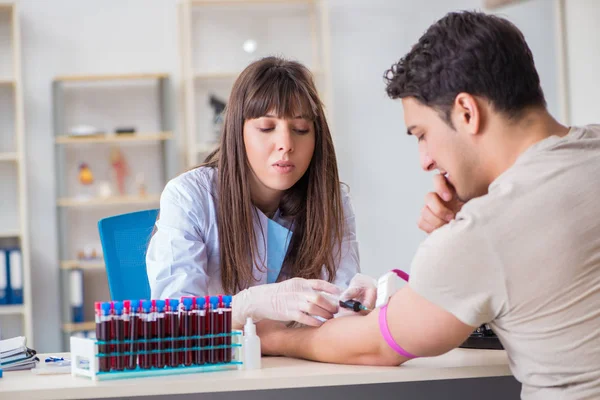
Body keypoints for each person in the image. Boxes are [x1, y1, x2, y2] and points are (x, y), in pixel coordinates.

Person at [257, 11, 600, 400]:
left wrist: (275, 335)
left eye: (422, 134)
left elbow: (375, 345)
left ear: (467, 112)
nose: (425, 161)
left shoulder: (483, 231)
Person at [146, 56, 359, 329]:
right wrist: (249, 305)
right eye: (266, 128)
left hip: (297, 366)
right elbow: (172, 320)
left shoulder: (332, 201)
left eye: (301, 129)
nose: (285, 144)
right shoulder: (188, 197)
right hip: (217, 366)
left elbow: (339, 311)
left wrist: (355, 304)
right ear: (238, 132)